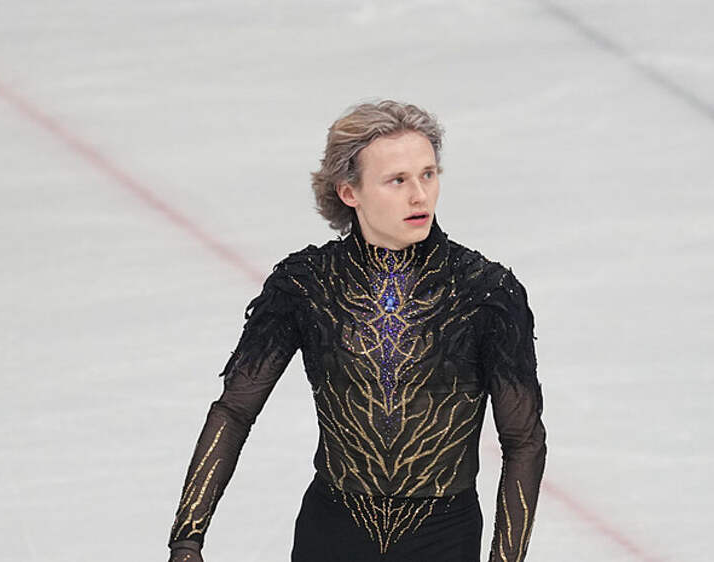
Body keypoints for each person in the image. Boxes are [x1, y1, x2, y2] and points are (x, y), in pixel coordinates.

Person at [166, 99, 547, 562]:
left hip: (444, 541)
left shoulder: (485, 292)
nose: (420, 196)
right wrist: (187, 539)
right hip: (331, 538)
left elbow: (523, 441)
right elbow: (235, 410)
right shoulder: (306, 284)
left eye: (428, 174)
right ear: (350, 192)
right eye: (397, 180)